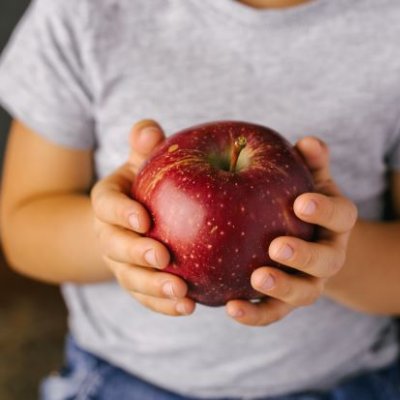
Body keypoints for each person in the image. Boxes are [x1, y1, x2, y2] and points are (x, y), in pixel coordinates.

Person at [0, 0, 399, 399]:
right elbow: (23, 227)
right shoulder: (86, 12)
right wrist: (119, 239)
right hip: (125, 377)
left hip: (343, 381)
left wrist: (330, 257)